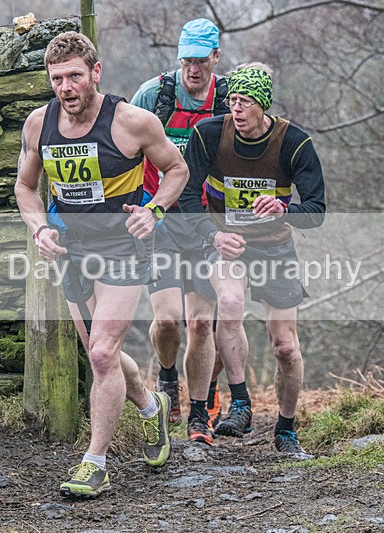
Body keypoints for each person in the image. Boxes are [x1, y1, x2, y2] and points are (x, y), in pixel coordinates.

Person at [14, 31, 190, 498]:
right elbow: (25, 188)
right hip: (71, 249)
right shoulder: (38, 124)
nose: (65, 88)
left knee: (100, 355)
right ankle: (151, 407)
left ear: (96, 73)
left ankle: (95, 463)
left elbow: (177, 169)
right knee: (100, 351)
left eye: (74, 76)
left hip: (122, 247)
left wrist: (153, 212)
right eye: (56, 79)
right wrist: (40, 229)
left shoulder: (133, 122)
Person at [179, 63, 326, 457]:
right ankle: (241, 402)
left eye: (245, 101)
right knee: (228, 302)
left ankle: (286, 429)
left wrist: (284, 209)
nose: (237, 109)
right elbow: (187, 196)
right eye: (232, 100)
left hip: (274, 247)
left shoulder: (294, 143)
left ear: (263, 104)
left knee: (285, 347)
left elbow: (316, 211)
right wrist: (213, 235)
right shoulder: (209, 134)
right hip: (226, 242)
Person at [130, 18, 229, 445]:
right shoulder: (154, 95)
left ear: (215, 57)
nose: (193, 69)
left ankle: (199, 413)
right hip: (161, 218)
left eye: (201, 61)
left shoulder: (227, 99)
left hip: (205, 223)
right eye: (187, 60)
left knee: (202, 324)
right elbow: (125, 146)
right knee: (169, 319)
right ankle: (168, 377)